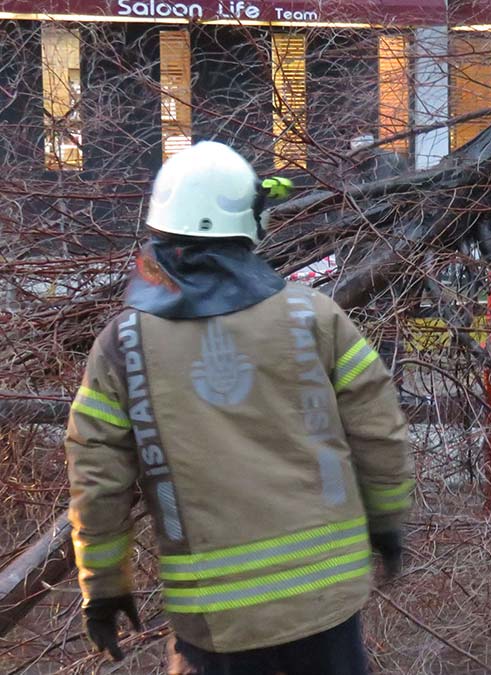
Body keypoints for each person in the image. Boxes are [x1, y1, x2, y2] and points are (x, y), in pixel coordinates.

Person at [65, 141, 413, 674]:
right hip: (326, 603)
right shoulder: (313, 316)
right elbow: (380, 430)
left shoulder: (124, 344)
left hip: (216, 621)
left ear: (160, 228)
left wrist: (104, 588)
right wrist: (388, 523)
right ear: (247, 224)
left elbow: (97, 478)